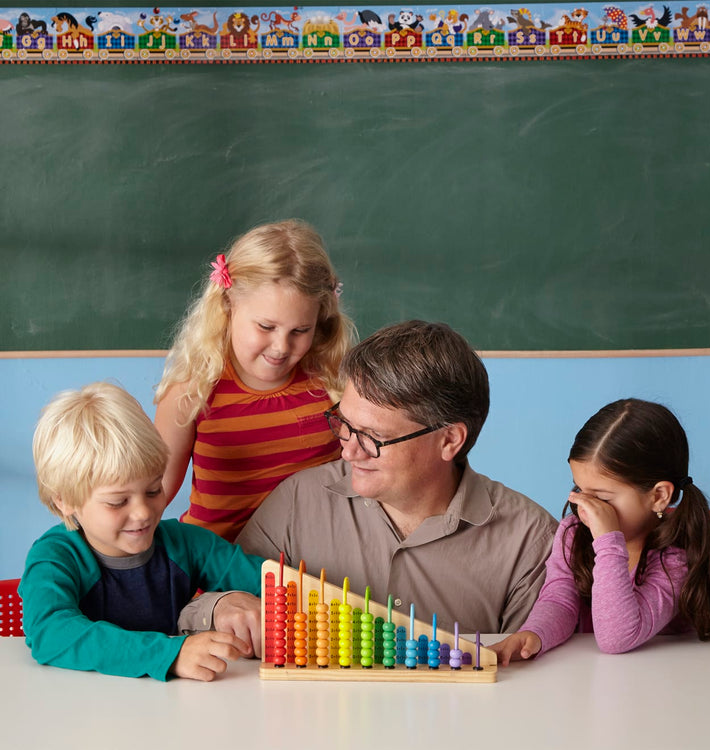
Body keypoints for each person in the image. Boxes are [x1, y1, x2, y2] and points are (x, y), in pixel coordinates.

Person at [182, 321, 557, 639]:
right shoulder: (298, 502)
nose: (348, 452)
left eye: (373, 437)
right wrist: (221, 606)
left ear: (449, 440)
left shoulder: (530, 541)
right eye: (344, 425)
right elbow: (206, 602)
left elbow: (541, 681)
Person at [19, 382, 266, 682]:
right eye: (118, 501)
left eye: (152, 490)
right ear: (65, 500)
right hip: (82, 714)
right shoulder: (54, 557)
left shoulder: (184, 542)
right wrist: (170, 654)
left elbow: (268, 581)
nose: (143, 512)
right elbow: (50, 633)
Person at [494, 398, 710, 666]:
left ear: (658, 496)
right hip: (598, 679)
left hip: (664, 682)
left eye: (603, 498)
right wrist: (534, 634)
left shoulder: (675, 558)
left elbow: (617, 638)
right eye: (579, 490)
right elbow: (560, 601)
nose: (586, 508)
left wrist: (608, 542)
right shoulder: (573, 534)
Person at [154, 219, 356, 542]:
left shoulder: (335, 385)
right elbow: (150, 495)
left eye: (299, 331)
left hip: (311, 571)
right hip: (220, 570)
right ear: (228, 305)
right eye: (265, 327)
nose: (281, 347)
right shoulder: (192, 393)